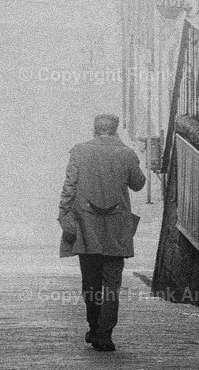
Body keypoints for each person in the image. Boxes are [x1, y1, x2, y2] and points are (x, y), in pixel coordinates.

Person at [58, 114, 145, 352]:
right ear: (115, 130)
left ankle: (93, 327)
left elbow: (69, 186)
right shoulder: (126, 153)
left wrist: (63, 215)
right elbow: (138, 184)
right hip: (116, 228)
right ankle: (105, 334)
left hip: (87, 226)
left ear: (94, 129)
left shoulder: (79, 151)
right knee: (112, 284)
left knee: (91, 282)